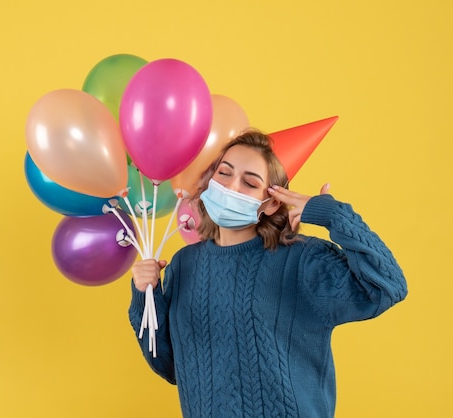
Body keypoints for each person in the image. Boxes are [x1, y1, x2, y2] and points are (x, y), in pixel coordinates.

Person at [128, 128, 407, 418]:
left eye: (250, 182)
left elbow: (387, 286)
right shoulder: (184, 265)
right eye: (224, 173)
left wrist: (332, 214)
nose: (232, 187)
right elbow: (171, 365)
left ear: (272, 202)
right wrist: (144, 295)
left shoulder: (302, 260)